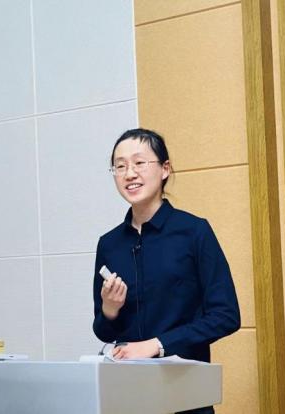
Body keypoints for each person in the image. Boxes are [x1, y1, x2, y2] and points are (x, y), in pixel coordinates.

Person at [93, 128, 240, 414]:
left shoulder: (194, 232)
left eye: (139, 163)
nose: (129, 173)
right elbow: (102, 330)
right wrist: (109, 310)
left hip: (185, 393)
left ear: (165, 169)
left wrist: (157, 345)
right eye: (120, 166)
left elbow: (226, 316)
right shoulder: (109, 244)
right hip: (129, 395)